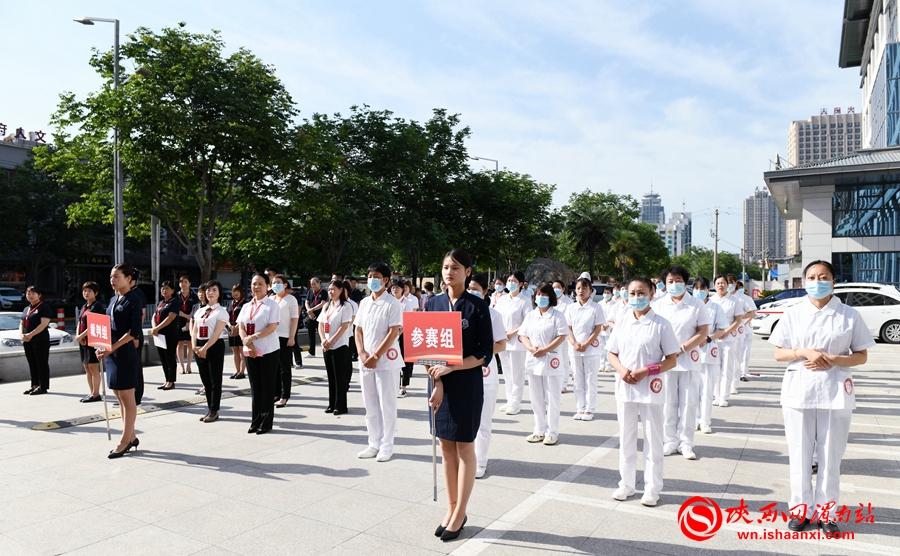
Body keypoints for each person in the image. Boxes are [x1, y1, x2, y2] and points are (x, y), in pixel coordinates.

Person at [769, 260, 874, 534]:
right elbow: (779, 352)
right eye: (812, 277)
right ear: (804, 282)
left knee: (830, 458)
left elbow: (861, 356)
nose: (817, 281)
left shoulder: (849, 315)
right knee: (800, 455)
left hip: (835, 392)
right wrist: (803, 352)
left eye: (823, 276)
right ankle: (800, 511)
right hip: (798, 392)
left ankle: (827, 513)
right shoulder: (793, 313)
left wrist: (833, 359)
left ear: (834, 281)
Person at [425, 250, 494, 542]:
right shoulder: (433, 304)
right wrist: (438, 382)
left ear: (467, 271)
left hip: (466, 383)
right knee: (445, 447)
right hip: (439, 383)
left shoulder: (477, 306)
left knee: (465, 447)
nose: (448, 272)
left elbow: (484, 352)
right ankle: (451, 508)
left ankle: (461, 511)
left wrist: (451, 368)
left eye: (455, 267)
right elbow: (426, 350)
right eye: (444, 267)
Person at [606, 275, 679, 506]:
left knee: (653, 439)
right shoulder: (623, 321)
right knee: (627, 437)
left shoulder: (661, 324)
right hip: (625, 386)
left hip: (650, 388)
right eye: (632, 294)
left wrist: (648, 370)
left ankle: (652, 488)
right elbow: (612, 353)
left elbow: (671, 360)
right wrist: (621, 370)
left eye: (641, 293)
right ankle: (626, 484)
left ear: (652, 294)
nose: (636, 297)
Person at [651, 265, 711, 461]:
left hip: (688, 359)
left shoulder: (696, 304)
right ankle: (670, 440)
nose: (674, 284)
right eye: (670, 281)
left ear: (685, 283)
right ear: (664, 284)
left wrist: (683, 347)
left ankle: (686, 443)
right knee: (668, 401)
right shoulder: (658, 304)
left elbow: (703, 331)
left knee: (688, 402)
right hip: (666, 360)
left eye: (678, 281)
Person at [354, 262, 404, 462]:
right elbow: (358, 330)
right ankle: (373, 442)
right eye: (370, 276)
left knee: (387, 404)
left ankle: (387, 445)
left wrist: (375, 356)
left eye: (376, 276)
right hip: (365, 361)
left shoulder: (393, 303)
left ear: (385, 280)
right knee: (370, 404)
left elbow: (393, 332)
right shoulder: (365, 302)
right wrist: (362, 354)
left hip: (385, 361)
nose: (372, 280)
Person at [98, 264, 143, 458]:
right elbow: (108, 326)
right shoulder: (113, 299)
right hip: (112, 354)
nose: (112, 280)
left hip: (124, 354)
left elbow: (134, 331)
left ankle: (124, 441)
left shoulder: (134, 299)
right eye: (111, 277)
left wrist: (112, 347)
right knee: (118, 394)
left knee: (127, 398)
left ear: (129, 279)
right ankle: (131, 436)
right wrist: (101, 345)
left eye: (117, 276)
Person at [466, 274, 508, 479]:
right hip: (462, 373)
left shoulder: (493, 315)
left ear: (485, 292)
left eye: (476, 289)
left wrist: (481, 351)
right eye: (469, 288)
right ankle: (465, 459)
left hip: (485, 372)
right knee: (465, 421)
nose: (472, 291)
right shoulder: (458, 312)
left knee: (483, 421)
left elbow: (501, 344)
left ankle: (480, 461)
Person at [519, 282, 569, 445]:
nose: (541, 298)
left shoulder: (558, 315)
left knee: (552, 398)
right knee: (536, 398)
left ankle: (552, 431)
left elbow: (561, 336)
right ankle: (539, 429)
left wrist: (545, 349)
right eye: (538, 295)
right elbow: (523, 335)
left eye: (544, 295)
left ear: (551, 298)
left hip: (551, 360)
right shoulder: (531, 315)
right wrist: (531, 348)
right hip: (534, 359)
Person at [238, 273, 281, 434]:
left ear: (267, 286)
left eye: (260, 284)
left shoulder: (272, 305)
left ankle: (266, 421)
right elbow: (241, 326)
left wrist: (254, 337)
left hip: (268, 350)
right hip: (250, 350)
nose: (256, 287)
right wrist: (247, 342)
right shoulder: (246, 306)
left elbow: (272, 327)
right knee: (255, 387)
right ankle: (255, 420)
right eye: (254, 284)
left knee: (267, 386)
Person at [566, 277, 607, 421]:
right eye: (578, 288)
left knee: (591, 379)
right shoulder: (571, 307)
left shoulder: (596, 307)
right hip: (575, 348)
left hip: (591, 349)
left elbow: (597, 328)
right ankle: (580, 407)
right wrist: (574, 343)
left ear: (590, 290)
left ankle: (589, 409)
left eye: (584, 288)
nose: (581, 291)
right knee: (577, 379)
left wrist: (587, 343)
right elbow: (568, 328)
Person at [691, 277, 728, 435]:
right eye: (696, 288)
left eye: (702, 288)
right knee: (692, 389)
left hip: (708, 350)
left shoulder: (716, 308)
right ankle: (694, 419)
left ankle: (705, 421)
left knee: (707, 389)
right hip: (691, 352)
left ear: (708, 290)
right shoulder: (689, 306)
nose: (699, 291)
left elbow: (722, 330)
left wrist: (707, 338)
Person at [495, 270, 532, 415]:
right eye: (509, 280)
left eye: (514, 281)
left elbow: (528, 321)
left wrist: (511, 332)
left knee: (517, 373)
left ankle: (516, 403)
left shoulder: (525, 301)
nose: (511, 283)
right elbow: (496, 317)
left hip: (517, 341)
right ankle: (509, 399)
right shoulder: (502, 299)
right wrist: (501, 333)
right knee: (506, 372)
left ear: (521, 284)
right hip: (503, 340)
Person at [191, 280, 229, 422]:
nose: (210, 293)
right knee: (205, 381)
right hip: (199, 346)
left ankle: (214, 410)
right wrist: (195, 346)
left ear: (219, 293)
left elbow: (216, 333)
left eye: (214, 290)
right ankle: (209, 408)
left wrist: (204, 348)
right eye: (208, 290)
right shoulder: (200, 311)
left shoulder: (221, 311)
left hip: (213, 346)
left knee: (215, 380)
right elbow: (194, 330)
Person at [710, 275, 745, 407]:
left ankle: (724, 396)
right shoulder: (711, 300)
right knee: (715, 369)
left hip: (729, 338)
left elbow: (738, 320)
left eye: (723, 283)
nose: (721, 285)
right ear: (714, 286)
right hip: (713, 339)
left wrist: (725, 332)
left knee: (727, 368)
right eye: (718, 283)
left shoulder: (735, 301)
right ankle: (716, 395)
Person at [320, 280, 354, 415]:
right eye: (329, 290)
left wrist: (332, 340)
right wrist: (323, 340)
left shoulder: (346, 306)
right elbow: (321, 324)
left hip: (340, 345)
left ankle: (340, 406)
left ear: (341, 290)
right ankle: (331, 403)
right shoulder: (327, 306)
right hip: (326, 345)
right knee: (330, 375)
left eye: (333, 289)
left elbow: (344, 326)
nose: (330, 292)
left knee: (339, 376)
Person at [272, 274, 299, 408]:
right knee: (274, 367)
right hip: (271, 337)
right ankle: (276, 393)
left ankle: (285, 395)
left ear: (285, 285)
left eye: (278, 282)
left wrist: (292, 336)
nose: (275, 285)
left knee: (284, 367)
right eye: (273, 282)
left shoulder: (290, 299)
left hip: (284, 336)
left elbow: (294, 319)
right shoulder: (271, 299)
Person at [21, 285, 53, 395]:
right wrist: (22, 334)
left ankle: (42, 387)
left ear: (39, 295)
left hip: (40, 340)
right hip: (28, 341)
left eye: (33, 293)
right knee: (32, 363)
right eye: (28, 293)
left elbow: (43, 324)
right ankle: (34, 385)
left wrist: (30, 334)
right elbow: (22, 323)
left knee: (41, 363)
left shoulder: (44, 307)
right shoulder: (27, 308)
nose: (30, 296)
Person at [75, 282, 105, 402]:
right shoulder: (84, 307)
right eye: (84, 291)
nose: (86, 293)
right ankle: (91, 392)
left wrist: (81, 335)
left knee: (93, 367)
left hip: (93, 341)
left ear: (96, 293)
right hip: (83, 341)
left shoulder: (97, 307)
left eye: (89, 291)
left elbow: (94, 324)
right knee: (86, 367)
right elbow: (80, 322)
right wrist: (78, 336)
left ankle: (96, 394)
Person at [150, 281, 179, 390]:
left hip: (169, 334)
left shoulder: (174, 302)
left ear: (172, 290)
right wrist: (154, 328)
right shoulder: (161, 302)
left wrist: (157, 328)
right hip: (159, 335)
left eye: (167, 288)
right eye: (162, 288)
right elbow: (154, 315)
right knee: (163, 358)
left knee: (170, 358)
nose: (164, 290)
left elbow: (170, 317)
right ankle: (166, 379)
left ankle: (171, 381)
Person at [393, 279, 417, 398]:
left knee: (404, 361)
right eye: (393, 287)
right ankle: (395, 385)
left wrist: (398, 333)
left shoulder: (406, 303)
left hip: (404, 334)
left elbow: (408, 320)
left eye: (397, 287)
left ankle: (403, 387)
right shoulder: (390, 302)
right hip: (391, 335)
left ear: (402, 290)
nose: (395, 289)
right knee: (393, 360)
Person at [732, 278, 757, 386]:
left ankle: (742, 373)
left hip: (744, 330)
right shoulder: (725, 298)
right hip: (729, 331)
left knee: (744, 352)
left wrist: (741, 322)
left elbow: (752, 313)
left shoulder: (745, 298)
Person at [175, 275, 199, 374]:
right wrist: (186, 316)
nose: (183, 284)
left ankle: (189, 365)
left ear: (189, 283)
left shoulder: (194, 295)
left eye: (185, 282)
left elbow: (195, 308)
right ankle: (181, 366)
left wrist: (190, 319)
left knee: (190, 343)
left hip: (191, 321)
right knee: (179, 343)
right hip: (179, 322)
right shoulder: (176, 295)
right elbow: (176, 309)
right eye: (181, 282)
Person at [553, 280, 573, 394]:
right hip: (552, 336)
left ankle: (564, 383)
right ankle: (555, 382)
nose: (555, 290)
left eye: (558, 287)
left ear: (563, 289)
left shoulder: (569, 302)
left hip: (564, 336)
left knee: (564, 360)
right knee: (554, 360)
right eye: (554, 287)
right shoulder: (550, 301)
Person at [228, 284, 248, 379]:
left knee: (241, 350)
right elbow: (226, 316)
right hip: (231, 328)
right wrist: (230, 326)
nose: (236, 293)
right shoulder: (230, 303)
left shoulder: (245, 303)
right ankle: (236, 371)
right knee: (234, 350)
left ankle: (242, 372)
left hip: (241, 328)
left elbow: (244, 317)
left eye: (238, 291)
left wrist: (236, 327)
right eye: (234, 291)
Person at [305, 277, 328, 357]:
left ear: (319, 283)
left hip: (319, 316)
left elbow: (323, 303)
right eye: (312, 284)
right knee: (311, 334)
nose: (313, 286)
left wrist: (312, 310)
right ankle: (311, 352)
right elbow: (306, 302)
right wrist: (309, 310)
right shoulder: (310, 292)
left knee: (321, 333)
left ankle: (325, 348)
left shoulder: (324, 292)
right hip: (311, 316)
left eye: (314, 284)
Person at [598, 287, 616, 372]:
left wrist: (607, 325)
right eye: (605, 292)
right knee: (601, 348)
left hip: (610, 330)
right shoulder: (599, 304)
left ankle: (608, 365)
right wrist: (601, 325)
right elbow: (597, 316)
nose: (606, 294)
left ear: (612, 294)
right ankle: (601, 364)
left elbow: (613, 318)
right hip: (600, 329)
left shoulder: (615, 305)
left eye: (608, 293)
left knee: (609, 348)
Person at [347, 277, 364, 362]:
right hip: (348, 317)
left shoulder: (357, 293)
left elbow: (359, 303)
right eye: (351, 282)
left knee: (354, 335)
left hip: (355, 316)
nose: (353, 284)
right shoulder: (347, 292)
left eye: (354, 283)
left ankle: (355, 353)